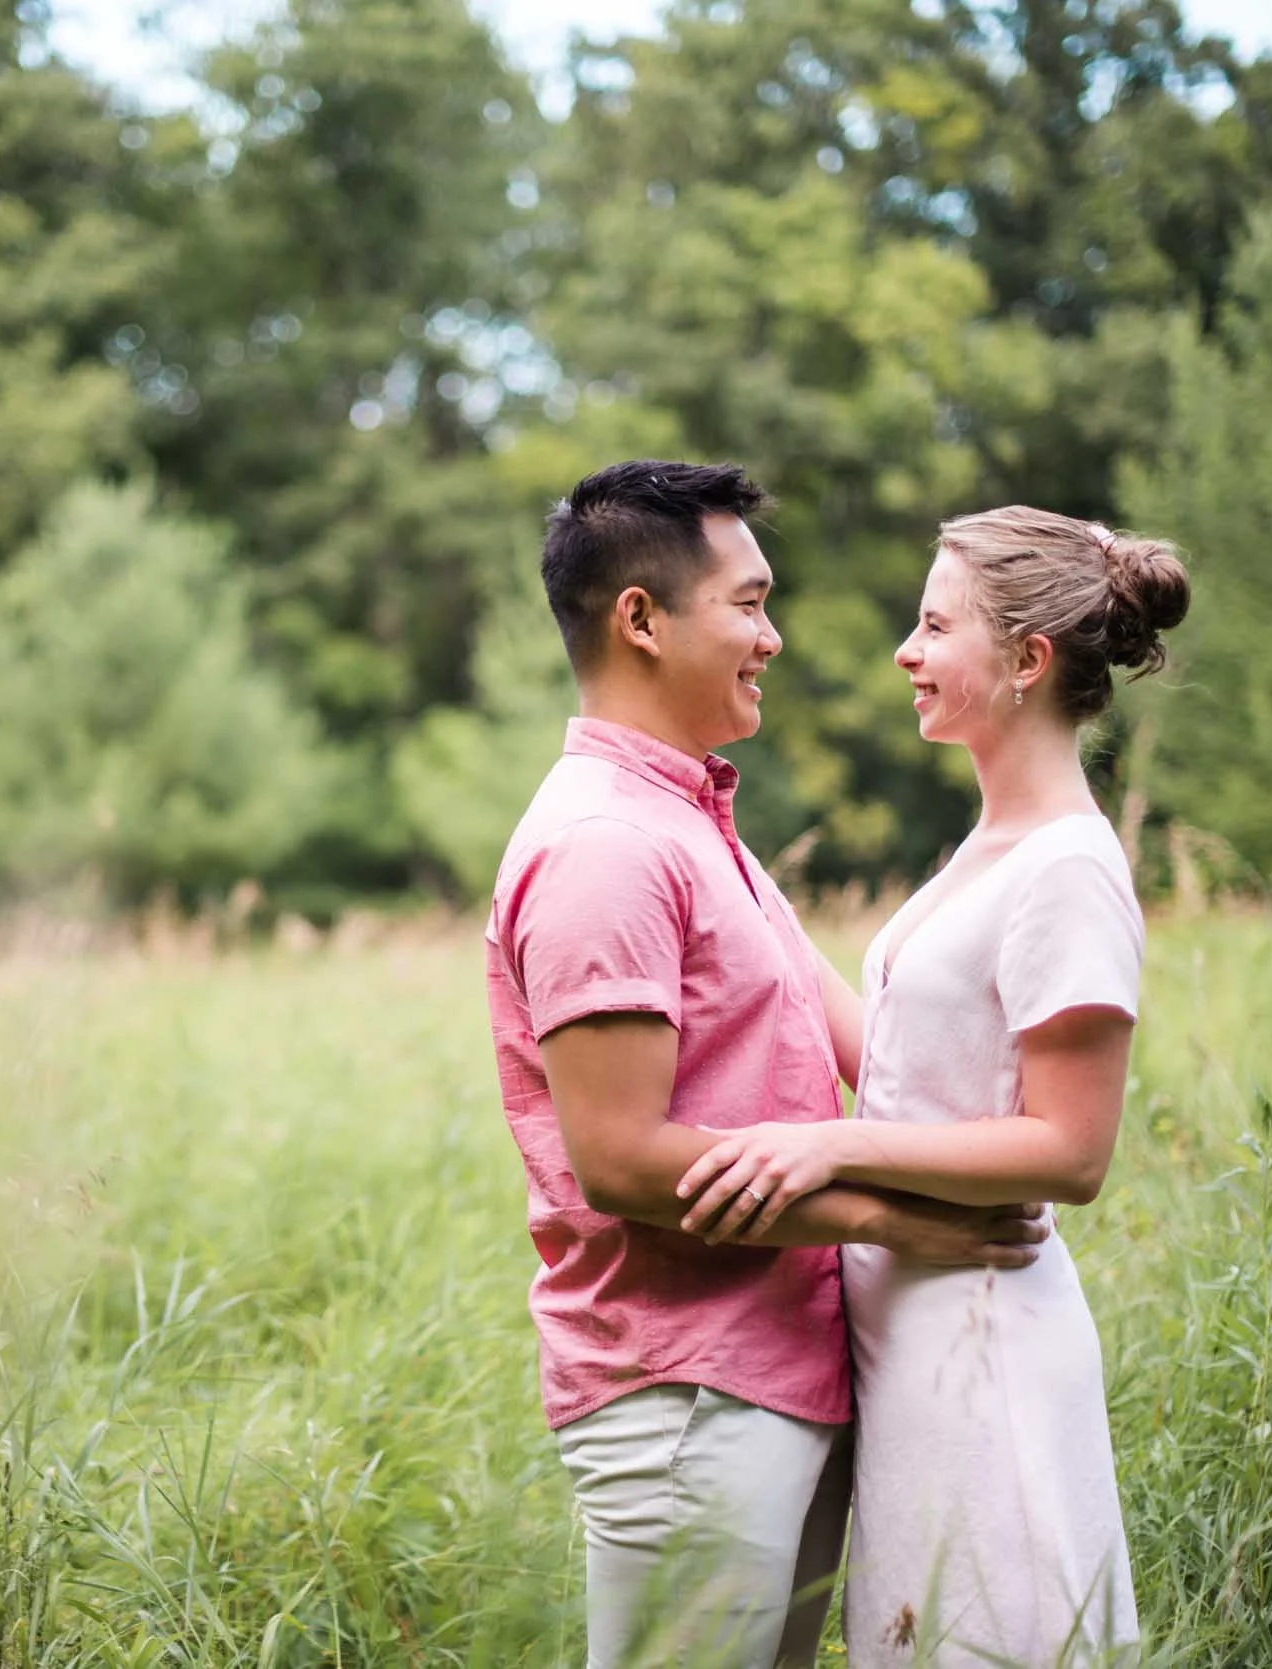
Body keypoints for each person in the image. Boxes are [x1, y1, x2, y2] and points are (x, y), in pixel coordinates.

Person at [485, 461, 1054, 1669]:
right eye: (747, 604)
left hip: (772, 1380)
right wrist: (898, 1222)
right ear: (641, 619)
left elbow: (873, 1048)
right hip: (686, 1399)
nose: (771, 636)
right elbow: (624, 1158)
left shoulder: (692, 827)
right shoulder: (604, 847)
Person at [676, 505, 1192, 1667]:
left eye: (932, 625)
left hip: (987, 1343)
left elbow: (1069, 1150)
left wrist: (831, 1146)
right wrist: (753, 900)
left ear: (1025, 660)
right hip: (914, 1345)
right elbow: (912, 1067)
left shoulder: (1067, 867)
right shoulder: (991, 846)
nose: (904, 652)